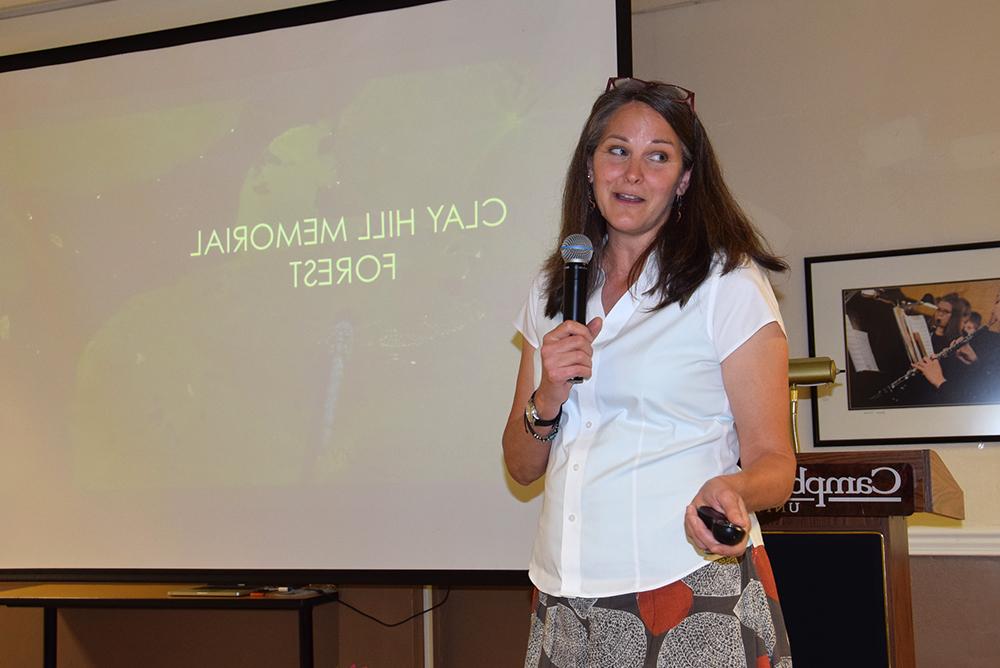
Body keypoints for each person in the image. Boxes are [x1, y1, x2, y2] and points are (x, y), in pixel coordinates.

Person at [502, 77, 795, 668]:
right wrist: (548, 397)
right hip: (564, 593)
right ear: (590, 167)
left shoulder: (728, 285)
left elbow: (776, 464)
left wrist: (732, 488)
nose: (632, 174)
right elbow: (521, 464)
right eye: (617, 151)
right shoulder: (553, 287)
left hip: (685, 583)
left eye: (657, 156)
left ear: (684, 180)